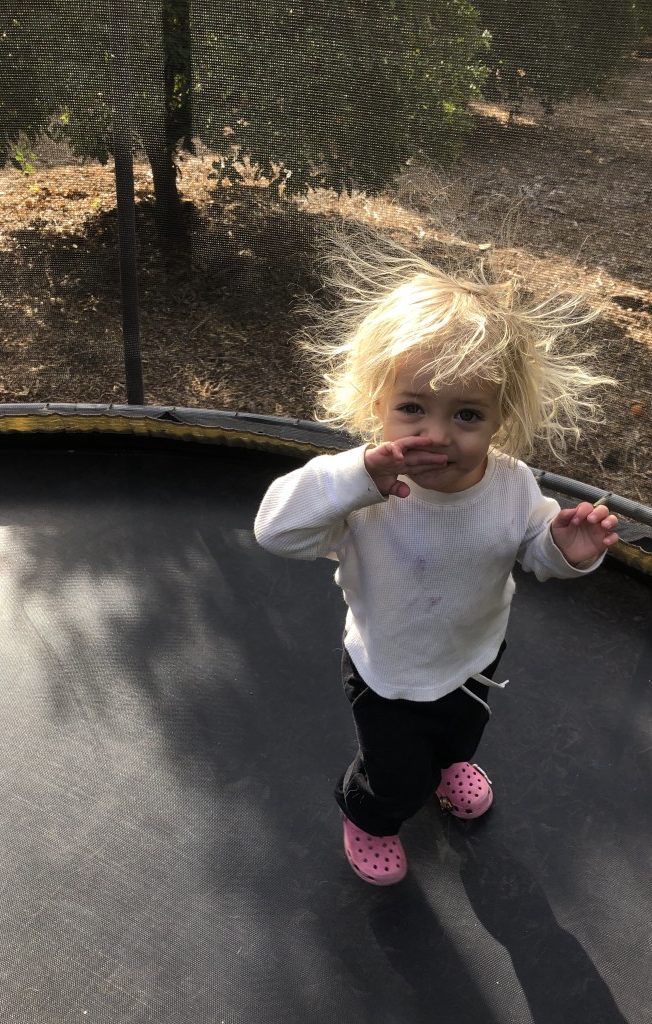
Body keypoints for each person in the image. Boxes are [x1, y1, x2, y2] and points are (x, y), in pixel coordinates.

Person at [254, 231, 619, 886]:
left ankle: (449, 766)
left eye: (467, 414)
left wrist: (566, 551)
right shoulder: (364, 492)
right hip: (388, 673)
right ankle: (369, 816)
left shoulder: (511, 485)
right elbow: (275, 531)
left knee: (460, 737)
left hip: (475, 658)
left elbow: (535, 547)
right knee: (396, 777)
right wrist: (354, 477)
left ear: (501, 418)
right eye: (412, 408)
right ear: (378, 405)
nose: (437, 434)